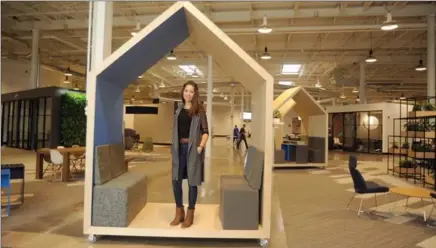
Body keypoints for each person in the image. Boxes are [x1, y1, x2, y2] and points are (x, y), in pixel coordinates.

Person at [170, 80, 209, 228]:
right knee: (176, 180)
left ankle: (190, 214)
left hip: (192, 149)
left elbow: (205, 132)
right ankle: (179, 212)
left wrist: (200, 147)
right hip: (179, 148)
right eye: (186, 90)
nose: (188, 94)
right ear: (183, 91)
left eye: (191, 91)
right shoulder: (178, 109)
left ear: (195, 94)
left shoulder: (199, 111)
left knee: (192, 182)